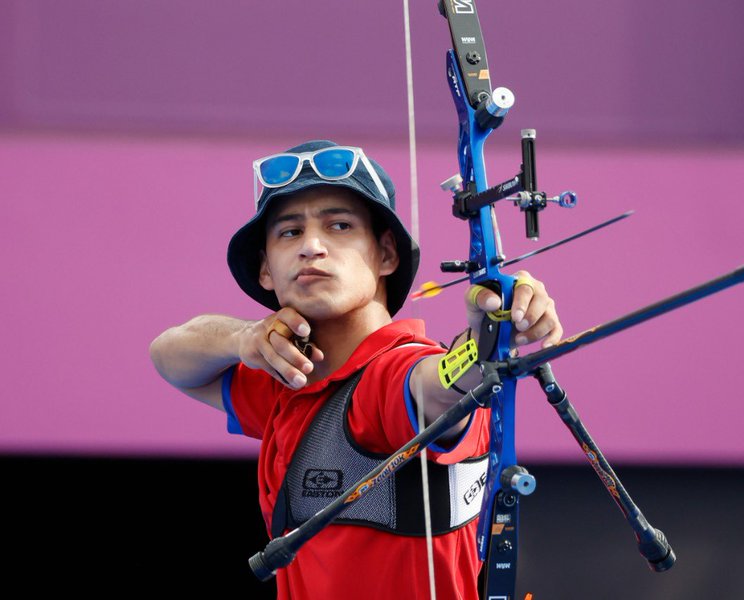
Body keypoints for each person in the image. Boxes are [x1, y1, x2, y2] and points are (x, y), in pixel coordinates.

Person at [149, 139, 562, 599]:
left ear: (387, 254)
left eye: (339, 226)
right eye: (289, 232)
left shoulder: (394, 371)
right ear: (266, 270)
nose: (311, 246)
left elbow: (440, 383)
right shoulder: (292, 379)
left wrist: (487, 340)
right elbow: (168, 355)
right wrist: (241, 339)